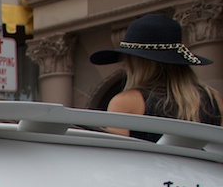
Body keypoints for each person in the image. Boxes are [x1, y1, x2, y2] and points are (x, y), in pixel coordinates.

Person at [90, 13, 222, 141]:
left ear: (136, 62)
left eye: (127, 58)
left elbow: (117, 153)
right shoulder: (213, 98)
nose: (124, 65)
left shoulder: (126, 102)